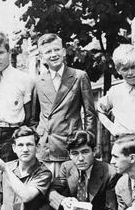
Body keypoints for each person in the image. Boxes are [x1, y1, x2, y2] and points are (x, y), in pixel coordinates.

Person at [32, 33, 97, 178]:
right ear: (42, 56)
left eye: (56, 50)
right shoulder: (37, 81)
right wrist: (39, 139)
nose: (53, 55)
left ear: (63, 51)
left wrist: (88, 143)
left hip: (71, 145)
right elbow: (34, 118)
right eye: (48, 52)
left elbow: (90, 114)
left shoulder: (79, 76)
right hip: (46, 148)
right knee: (46, 193)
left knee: (71, 191)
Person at [0, 32, 35, 162]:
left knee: (11, 176)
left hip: (12, 135)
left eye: (1, 52)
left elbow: (29, 115)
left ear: (8, 52)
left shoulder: (25, 79)